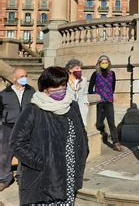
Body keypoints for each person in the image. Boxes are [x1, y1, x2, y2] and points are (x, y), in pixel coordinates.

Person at [10, 66, 88, 205]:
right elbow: (17, 143)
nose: (60, 89)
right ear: (45, 88)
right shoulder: (33, 109)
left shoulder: (72, 106)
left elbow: (82, 134)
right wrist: (43, 162)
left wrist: (82, 154)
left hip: (69, 177)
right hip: (43, 180)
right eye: (55, 86)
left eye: (63, 85)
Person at [0, 68, 35, 191]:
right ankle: (4, 178)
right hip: (8, 126)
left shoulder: (31, 91)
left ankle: (22, 177)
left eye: (25, 75)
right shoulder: (4, 93)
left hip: (26, 126)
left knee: (24, 152)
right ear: (14, 78)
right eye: (21, 76)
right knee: (4, 153)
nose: (24, 78)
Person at [88, 55, 122, 152]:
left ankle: (116, 142)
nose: (104, 64)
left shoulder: (112, 73)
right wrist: (94, 97)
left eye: (106, 62)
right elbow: (90, 88)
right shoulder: (95, 74)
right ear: (99, 64)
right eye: (102, 62)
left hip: (108, 101)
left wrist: (108, 95)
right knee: (97, 122)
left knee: (111, 122)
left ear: (109, 63)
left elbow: (113, 87)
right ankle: (94, 140)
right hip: (98, 101)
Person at [66, 59, 89, 125]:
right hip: (69, 108)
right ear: (70, 70)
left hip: (81, 108)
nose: (80, 70)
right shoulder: (65, 80)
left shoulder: (83, 80)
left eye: (80, 68)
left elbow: (85, 93)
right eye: (77, 68)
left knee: (81, 128)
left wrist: (86, 103)